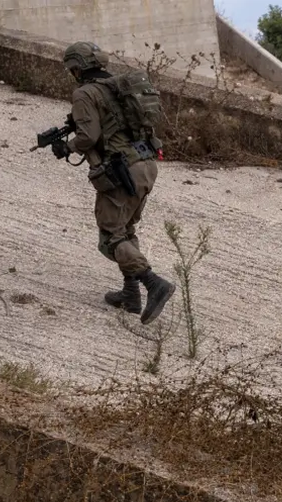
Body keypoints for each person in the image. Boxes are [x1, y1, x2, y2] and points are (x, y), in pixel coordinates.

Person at [52, 41, 175, 325]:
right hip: (146, 165)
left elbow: (88, 137)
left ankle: (153, 282)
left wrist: (66, 147)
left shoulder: (85, 93)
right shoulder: (117, 86)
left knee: (111, 236)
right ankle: (130, 294)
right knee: (126, 228)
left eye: (71, 68)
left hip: (122, 171)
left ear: (77, 68)